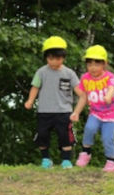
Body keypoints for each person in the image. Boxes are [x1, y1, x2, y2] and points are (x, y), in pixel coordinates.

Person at [25, 36, 84, 169]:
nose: (53, 61)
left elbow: (79, 90)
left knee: (65, 136)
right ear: (46, 58)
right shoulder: (41, 72)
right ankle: (46, 159)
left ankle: (66, 160)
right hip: (44, 111)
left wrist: (84, 98)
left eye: (57, 58)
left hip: (64, 111)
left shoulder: (69, 73)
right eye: (50, 58)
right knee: (42, 135)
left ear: (63, 57)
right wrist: (30, 100)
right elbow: (35, 87)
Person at [71, 45, 114, 172]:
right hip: (95, 113)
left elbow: (112, 87)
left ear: (104, 64)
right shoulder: (85, 78)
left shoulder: (109, 76)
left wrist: (109, 95)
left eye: (97, 64)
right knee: (89, 128)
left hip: (111, 114)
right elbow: (83, 97)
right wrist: (76, 112)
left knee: (107, 137)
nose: (93, 68)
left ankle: (111, 161)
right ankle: (86, 153)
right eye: (89, 64)